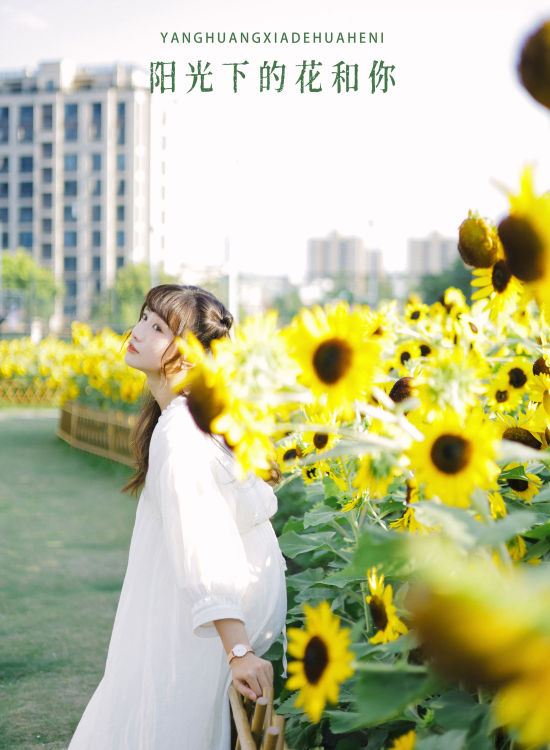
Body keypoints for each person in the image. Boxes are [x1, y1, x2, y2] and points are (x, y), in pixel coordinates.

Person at [67, 284, 287, 750]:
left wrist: (239, 651)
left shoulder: (181, 431)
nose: (139, 331)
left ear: (188, 356)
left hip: (195, 631)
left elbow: (204, 542)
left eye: (159, 327)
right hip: (185, 620)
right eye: (144, 317)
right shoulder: (181, 418)